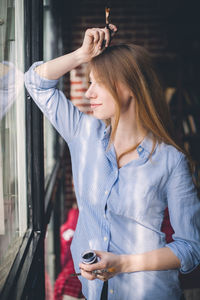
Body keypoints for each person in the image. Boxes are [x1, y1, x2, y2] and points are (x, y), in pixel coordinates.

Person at [25, 25, 200, 300]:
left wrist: (123, 264)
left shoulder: (171, 160)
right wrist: (82, 55)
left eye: (98, 83)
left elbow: (191, 248)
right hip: (94, 291)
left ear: (128, 88)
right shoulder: (83, 134)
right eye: (89, 82)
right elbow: (35, 82)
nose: (88, 93)